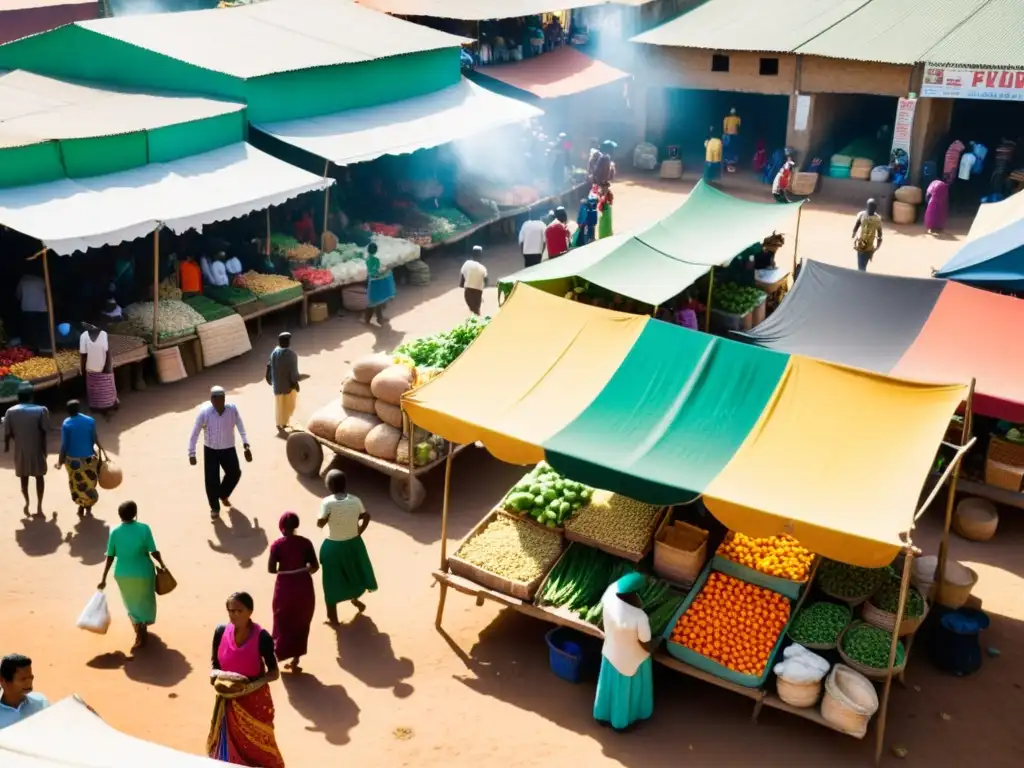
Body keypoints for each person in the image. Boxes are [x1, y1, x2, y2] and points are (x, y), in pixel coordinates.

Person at [207, 592, 285, 767]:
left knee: (259, 745)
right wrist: (215, 675)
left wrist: (250, 687)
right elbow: (215, 663)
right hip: (227, 699)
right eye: (230, 611)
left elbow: (274, 672)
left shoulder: (262, 637)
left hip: (254, 700)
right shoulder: (220, 631)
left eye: (238, 611)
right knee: (229, 744)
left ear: (250, 611)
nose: (234, 615)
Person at [98, 501, 167, 651]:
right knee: (145, 600)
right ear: (135, 513)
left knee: (131, 604)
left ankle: (138, 631)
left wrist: (103, 578)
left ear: (120, 515)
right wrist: (162, 564)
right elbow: (153, 551)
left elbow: (110, 557)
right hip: (144, 573)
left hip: (123, 575)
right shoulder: (144, 528)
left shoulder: (115, 532)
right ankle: (142, 630)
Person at [593, 572, 654, 730]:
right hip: (632, 659)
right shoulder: (640, 616)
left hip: (610, 652)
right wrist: (655, 648)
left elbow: (618, 585)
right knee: (626, 690)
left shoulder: (609, 597)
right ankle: (622, 723)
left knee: (608, 686)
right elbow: (645, 642)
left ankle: (602, 715)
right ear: (632, 595)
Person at [317, 469, 377, 624]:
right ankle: (355, 599)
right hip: (354, 544)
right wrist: (359, 532)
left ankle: (333, 617)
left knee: (331, 581)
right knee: (353, 573)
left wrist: (329, 517)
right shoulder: (355, 500)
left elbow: (319, 524)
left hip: (333, 546)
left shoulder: (326, 502)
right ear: (345, 484)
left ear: (329, 486)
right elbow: (366, 515)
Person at [188, 386, 252, 520]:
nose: (221, 403)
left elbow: (240, 424)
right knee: (211, 480)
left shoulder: (232, 410)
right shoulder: (205, 413)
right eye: (217, 400)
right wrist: (191, 453)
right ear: (212, 400)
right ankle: (214, 507)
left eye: (223, 399)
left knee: (235, 472)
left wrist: (245, 443)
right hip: (211, 450)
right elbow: (195, 433)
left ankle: (223, 494)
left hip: (228, 448)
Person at [268, 512, 318, 671]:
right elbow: (315, 566)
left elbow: (271, 569)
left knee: (282, 620)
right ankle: (296, 661)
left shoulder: (277, 545)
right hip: (304, 585)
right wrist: (302, 570)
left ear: (281, 527)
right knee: (301, 621)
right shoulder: (306, 543)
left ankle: (275, 657)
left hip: (285, 586)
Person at [4, 383, 49, 516]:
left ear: (18, 397)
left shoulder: (10, 412)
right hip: (37, 449)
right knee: (39, 477)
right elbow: (45, 431)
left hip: (21, 450)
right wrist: (44, 449)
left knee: (24, 479)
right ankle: (39, 505)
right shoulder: (42, 410)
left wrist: (10, 445)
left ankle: (27, 502)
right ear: (32, 396)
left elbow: (8, 433)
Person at [57, 399, 102, 518]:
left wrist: (60, 461)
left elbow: (64, 445)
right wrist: (101, 450)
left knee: (77, 484)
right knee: (90, 482)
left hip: (73, 461)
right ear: (79, 408)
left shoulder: (67, 423)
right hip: (89, 459)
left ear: (67, 411)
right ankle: (88, 504)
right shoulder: (90, 421)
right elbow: (95, 438)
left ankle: (81, 505)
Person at [0, 654, 48, 729]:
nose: (29, 682)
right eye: (23, 679)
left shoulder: (41, 703)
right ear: (2, 681)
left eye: (31, 677)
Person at [80, 323, 118, 414]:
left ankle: (107, 404)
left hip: (103, 367)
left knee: (102, 389)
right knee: (99, 390)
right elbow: (84, 356)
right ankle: (102, 406)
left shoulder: (104, 334)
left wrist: (108, 368)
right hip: (92, 368)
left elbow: (108, 352)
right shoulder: (84, 336)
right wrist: (83, 370)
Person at [266, 332, 300, 433]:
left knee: (279, 405)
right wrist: (296, 383)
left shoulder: (274, 352)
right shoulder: (292, 355)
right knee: (289, 405)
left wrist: (269, 379)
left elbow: (270, 366)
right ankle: (285, 421)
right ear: (288, 342)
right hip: (288, 386)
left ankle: (279, 423)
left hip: (277, 386)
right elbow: (294, 374)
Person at [15, 269, 49, 353]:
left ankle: (31, 347)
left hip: (28, 308)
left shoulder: (23, 281)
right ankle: (42, 346)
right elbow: (47, 293)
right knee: (41, 329)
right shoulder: (41, 280)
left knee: (30, 329)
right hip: (42, 308)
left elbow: (18, 295)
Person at [363, 242, 395, 327]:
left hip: (371, 282)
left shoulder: (368, 259)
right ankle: (377, 319)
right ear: (376, 250)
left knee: (373, 302)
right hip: (375, 283)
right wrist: (386, 271)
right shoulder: (375, 260)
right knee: (377, 302)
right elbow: (375, 273)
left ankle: (369, 319)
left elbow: (371, 272)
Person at [852, 198, 883, 272]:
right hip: (860, 244)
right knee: (860, 265)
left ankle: (861, 275)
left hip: (869, 246)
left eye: (872, 207)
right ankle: (862, 275)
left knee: (863, 265)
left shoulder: (877, 219)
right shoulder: (862, 215)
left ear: (875, 208)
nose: (870, 208)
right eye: (869, 206)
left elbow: (879, 234)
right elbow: (857, 224)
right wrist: (854, 233)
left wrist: (878, 246)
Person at [460, 247, 488, 316]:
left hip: (468, 291)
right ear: (481, 255)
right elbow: (486, 281)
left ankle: (477, 322)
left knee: (473, 310)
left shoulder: (466, 263)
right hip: (478, 292)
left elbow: (462, 280)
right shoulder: (483, 268)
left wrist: (463, 284)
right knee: (476, 310)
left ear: (472, 254)